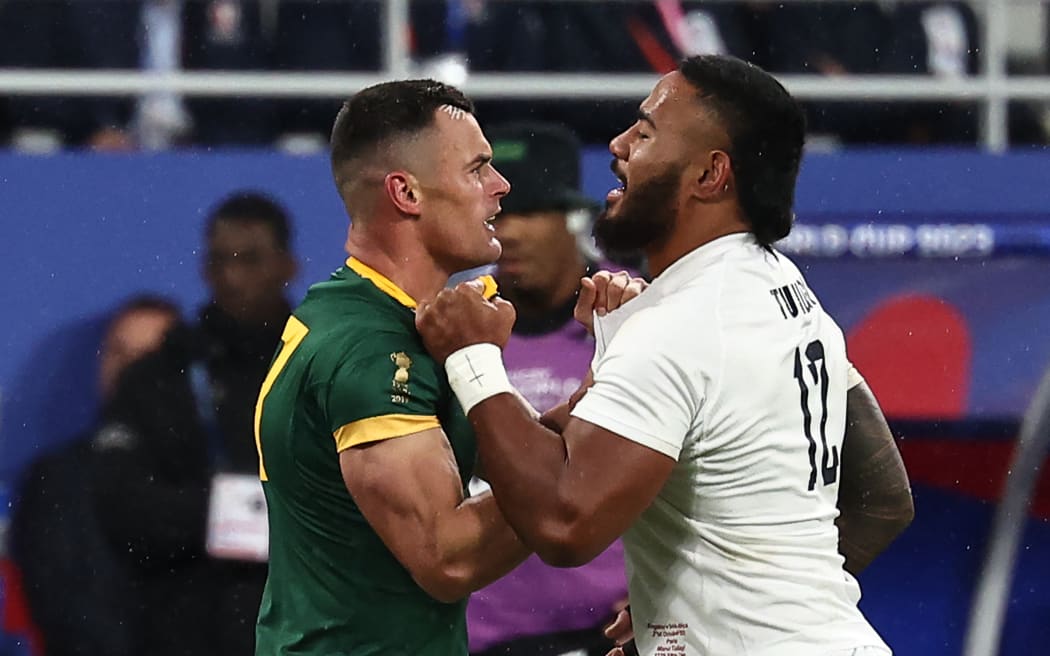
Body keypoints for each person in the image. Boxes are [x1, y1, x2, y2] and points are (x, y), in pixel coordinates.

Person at [414, 55, 915, 656]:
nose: (619, 144)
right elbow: (883, 497)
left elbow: (564, 526)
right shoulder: (785, 290)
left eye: (646, 132)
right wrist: (689, 606)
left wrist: (474, 361)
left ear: (710, 175)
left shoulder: (681, 322)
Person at [90, 192, 298, 656]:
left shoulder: (324, 366)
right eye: (219, 261)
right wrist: (222, 511)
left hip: (307, 623)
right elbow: (122, 504)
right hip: (187, 623)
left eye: (250, 260)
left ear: (288, 266)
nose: (231, 277)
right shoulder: (161, 375)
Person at [467, 121, 630, 656]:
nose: (509, 232)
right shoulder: (454, 323)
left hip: (613, 632)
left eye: (530, 212)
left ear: (575, 221)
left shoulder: (628, 313)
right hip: (487, 635)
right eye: (499, 215)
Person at [11, 295, 181, 656]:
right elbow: (61, 604)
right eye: (120, 353)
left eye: (151, 356)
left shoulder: (220, 475)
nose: (131, 369)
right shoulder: (55, 480)